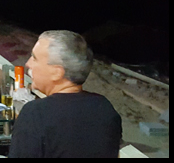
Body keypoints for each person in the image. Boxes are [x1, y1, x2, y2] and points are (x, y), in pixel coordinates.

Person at [8, 30, 122, 158]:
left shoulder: (36, 113)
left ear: (57, 73)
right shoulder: (106, 108)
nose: (28, 64)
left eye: (35, 58)